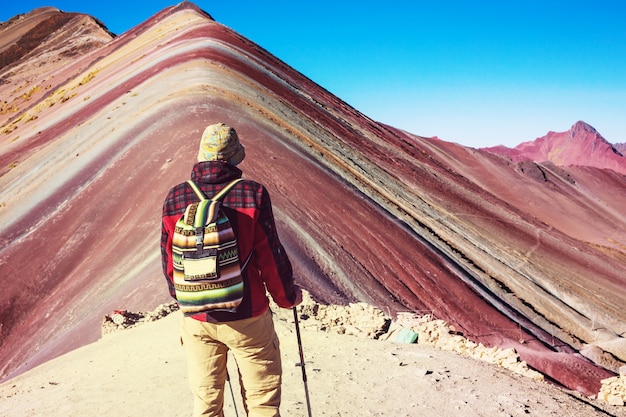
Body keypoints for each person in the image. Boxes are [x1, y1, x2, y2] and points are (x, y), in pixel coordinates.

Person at [160, 122, 302, 417]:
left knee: (207, 405)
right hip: (248, 315)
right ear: (236, 156)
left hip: (197, 318)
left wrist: (187, 298)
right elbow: (270, 255)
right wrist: (286, 298)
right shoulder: (252, 195)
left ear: (200, 155)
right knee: (262, 403)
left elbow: (169, 260)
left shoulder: (175, 197)